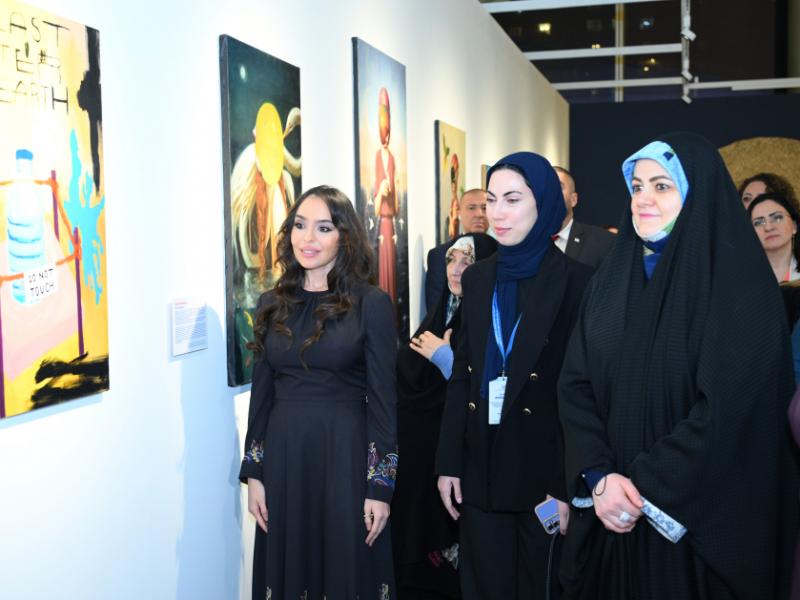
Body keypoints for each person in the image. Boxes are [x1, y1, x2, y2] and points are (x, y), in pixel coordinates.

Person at [558, 133, 798, 599]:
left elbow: (729, 412)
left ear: (697, 194)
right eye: (637, 186)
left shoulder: (741, 288)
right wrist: (600, 477)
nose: (644, 199)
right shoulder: (611, 281)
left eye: (663, 186)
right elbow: (575, 385)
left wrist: (639, 488)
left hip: (696, 532)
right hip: (613, 518)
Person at [436, 152, 594, 600]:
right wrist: (449, 461)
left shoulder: (579, 282)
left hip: (542, 473)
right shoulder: (480, 278)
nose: (497, 214)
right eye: (491, 200)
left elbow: (583, 395)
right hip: (481, 465)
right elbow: (463, 374)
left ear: (542, 203)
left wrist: (567, 487)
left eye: (512, 199)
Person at [240, 185, 399, 599]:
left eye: (323, 228)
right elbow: (262, 394)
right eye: (300, 225)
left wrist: (380, 486)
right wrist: (254, 472)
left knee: (345, 569)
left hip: (345, 455)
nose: (307, 239)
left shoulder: (372, 304)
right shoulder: (270, 303)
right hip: (285, 457)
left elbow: (384, 404)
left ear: (344, 237)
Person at [392, 233, 496, 600]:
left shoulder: (489, 318)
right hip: (420, 462)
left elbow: (490, 390)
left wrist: (447, 360)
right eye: (452, 259)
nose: (456, 270)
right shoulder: (441, 313)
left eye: (467, 261)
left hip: (458, 458)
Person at [426, 189, 488, 313]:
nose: (479, 214)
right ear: (459, 211)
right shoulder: (439, 255)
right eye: (471, 208)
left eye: (484, 208)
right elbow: (436, 310)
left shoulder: (501, 252)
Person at [551, 166, 615, 268]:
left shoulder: (605, 243)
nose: (550, 192)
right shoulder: (522, 241)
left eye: (558, 186)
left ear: (573, 199)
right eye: (546, 187)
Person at [373, 87, 398, 305]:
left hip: (389, 225)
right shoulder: (378, 157)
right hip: (383, 225)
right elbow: (374, 205)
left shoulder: (391, 158)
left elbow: (396, 203)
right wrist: (381, 191)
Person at [748, 192, 800, 282]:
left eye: (777, 218)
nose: (768, 227)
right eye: (758, 223)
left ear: (794, 226)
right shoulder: (740, 276)